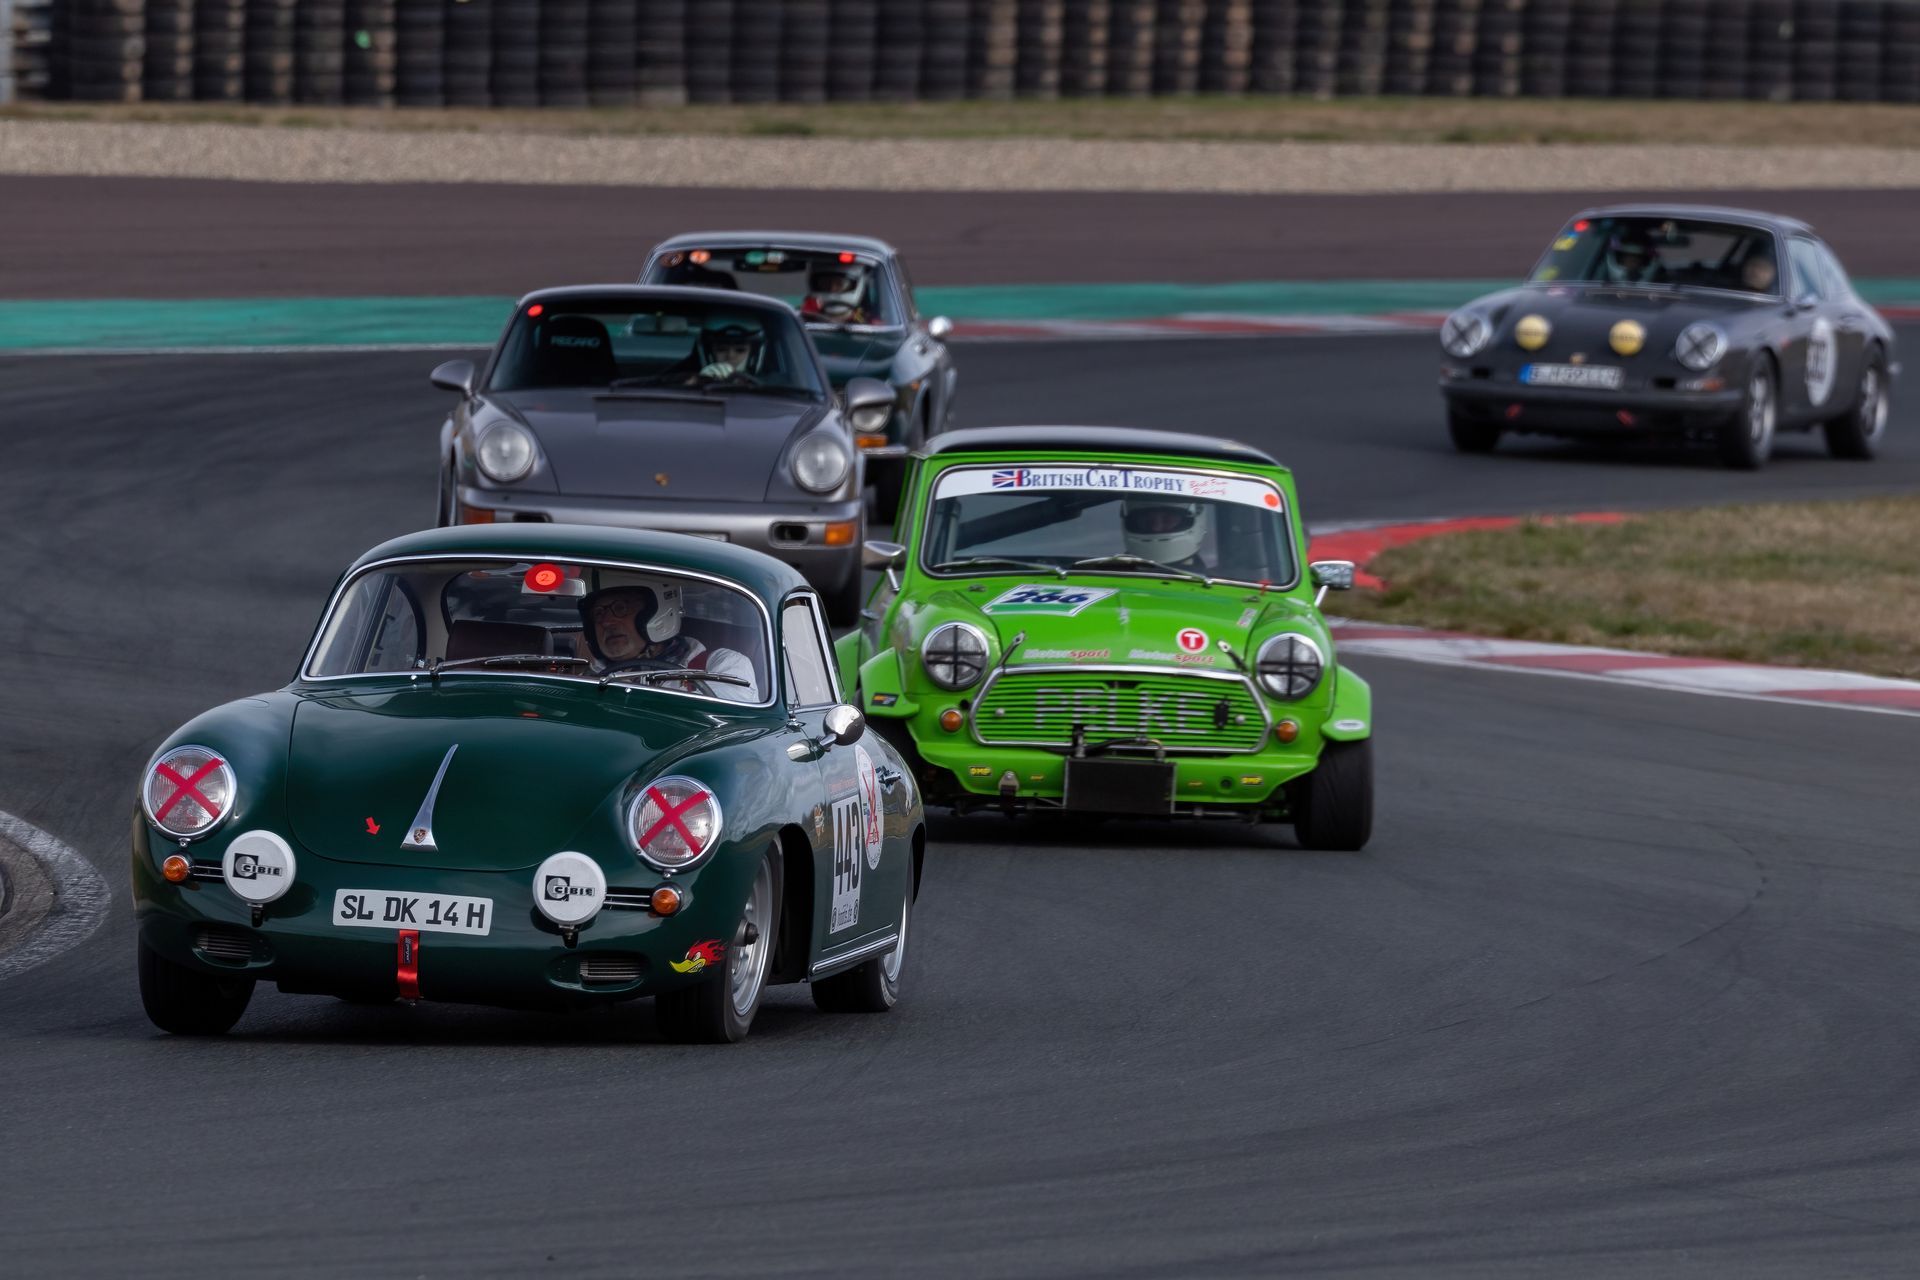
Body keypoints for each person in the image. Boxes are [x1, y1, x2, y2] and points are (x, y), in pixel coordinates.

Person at [577, 583, 758, 701]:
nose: (606, 622)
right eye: (598, 613)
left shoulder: (723, 664)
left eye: (620, 608)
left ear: (656, 612)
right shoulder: (587, 680)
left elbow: (729, 719)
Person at [1119, 499, 1212, 573]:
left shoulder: (1215, 584)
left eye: (1168, 520)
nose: (1156, 528)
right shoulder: (1111, 572)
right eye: (1147, 521)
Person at [800, 261, 872, 324]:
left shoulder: (867, 323)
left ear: (856, 285)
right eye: (825, 283)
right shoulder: (805, 317)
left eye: (840, 284)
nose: (832, 289)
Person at [1601, 226, 1668, 285]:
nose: (1632, 261)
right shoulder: (1606, 283)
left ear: (1643, 261)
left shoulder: (1657, 284)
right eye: (1628, 257)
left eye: (1636, 258)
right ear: (1621, 259)